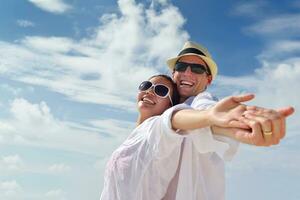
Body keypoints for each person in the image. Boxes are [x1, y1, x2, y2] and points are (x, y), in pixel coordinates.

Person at [100, 74, 293, 200]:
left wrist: (212, 118)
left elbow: (176, 120)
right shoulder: (136, 135)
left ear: (169, 104)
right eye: (147, 85)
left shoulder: (158, 129)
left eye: (160, 90)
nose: (150, 90)